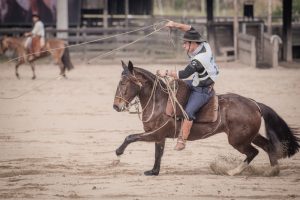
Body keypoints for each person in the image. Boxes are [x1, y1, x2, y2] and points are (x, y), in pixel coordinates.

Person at [157, 21, 219, 151]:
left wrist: (166, 72)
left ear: (193, 43)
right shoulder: (203, 44)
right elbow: (190, 28)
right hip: (197, 80)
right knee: (176, 86)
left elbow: (184, 74)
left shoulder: (201, 59)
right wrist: (174, 24)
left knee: (189, 112)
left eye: (186, 43)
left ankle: (182, 140)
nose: (184, 46)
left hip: (202, 89)